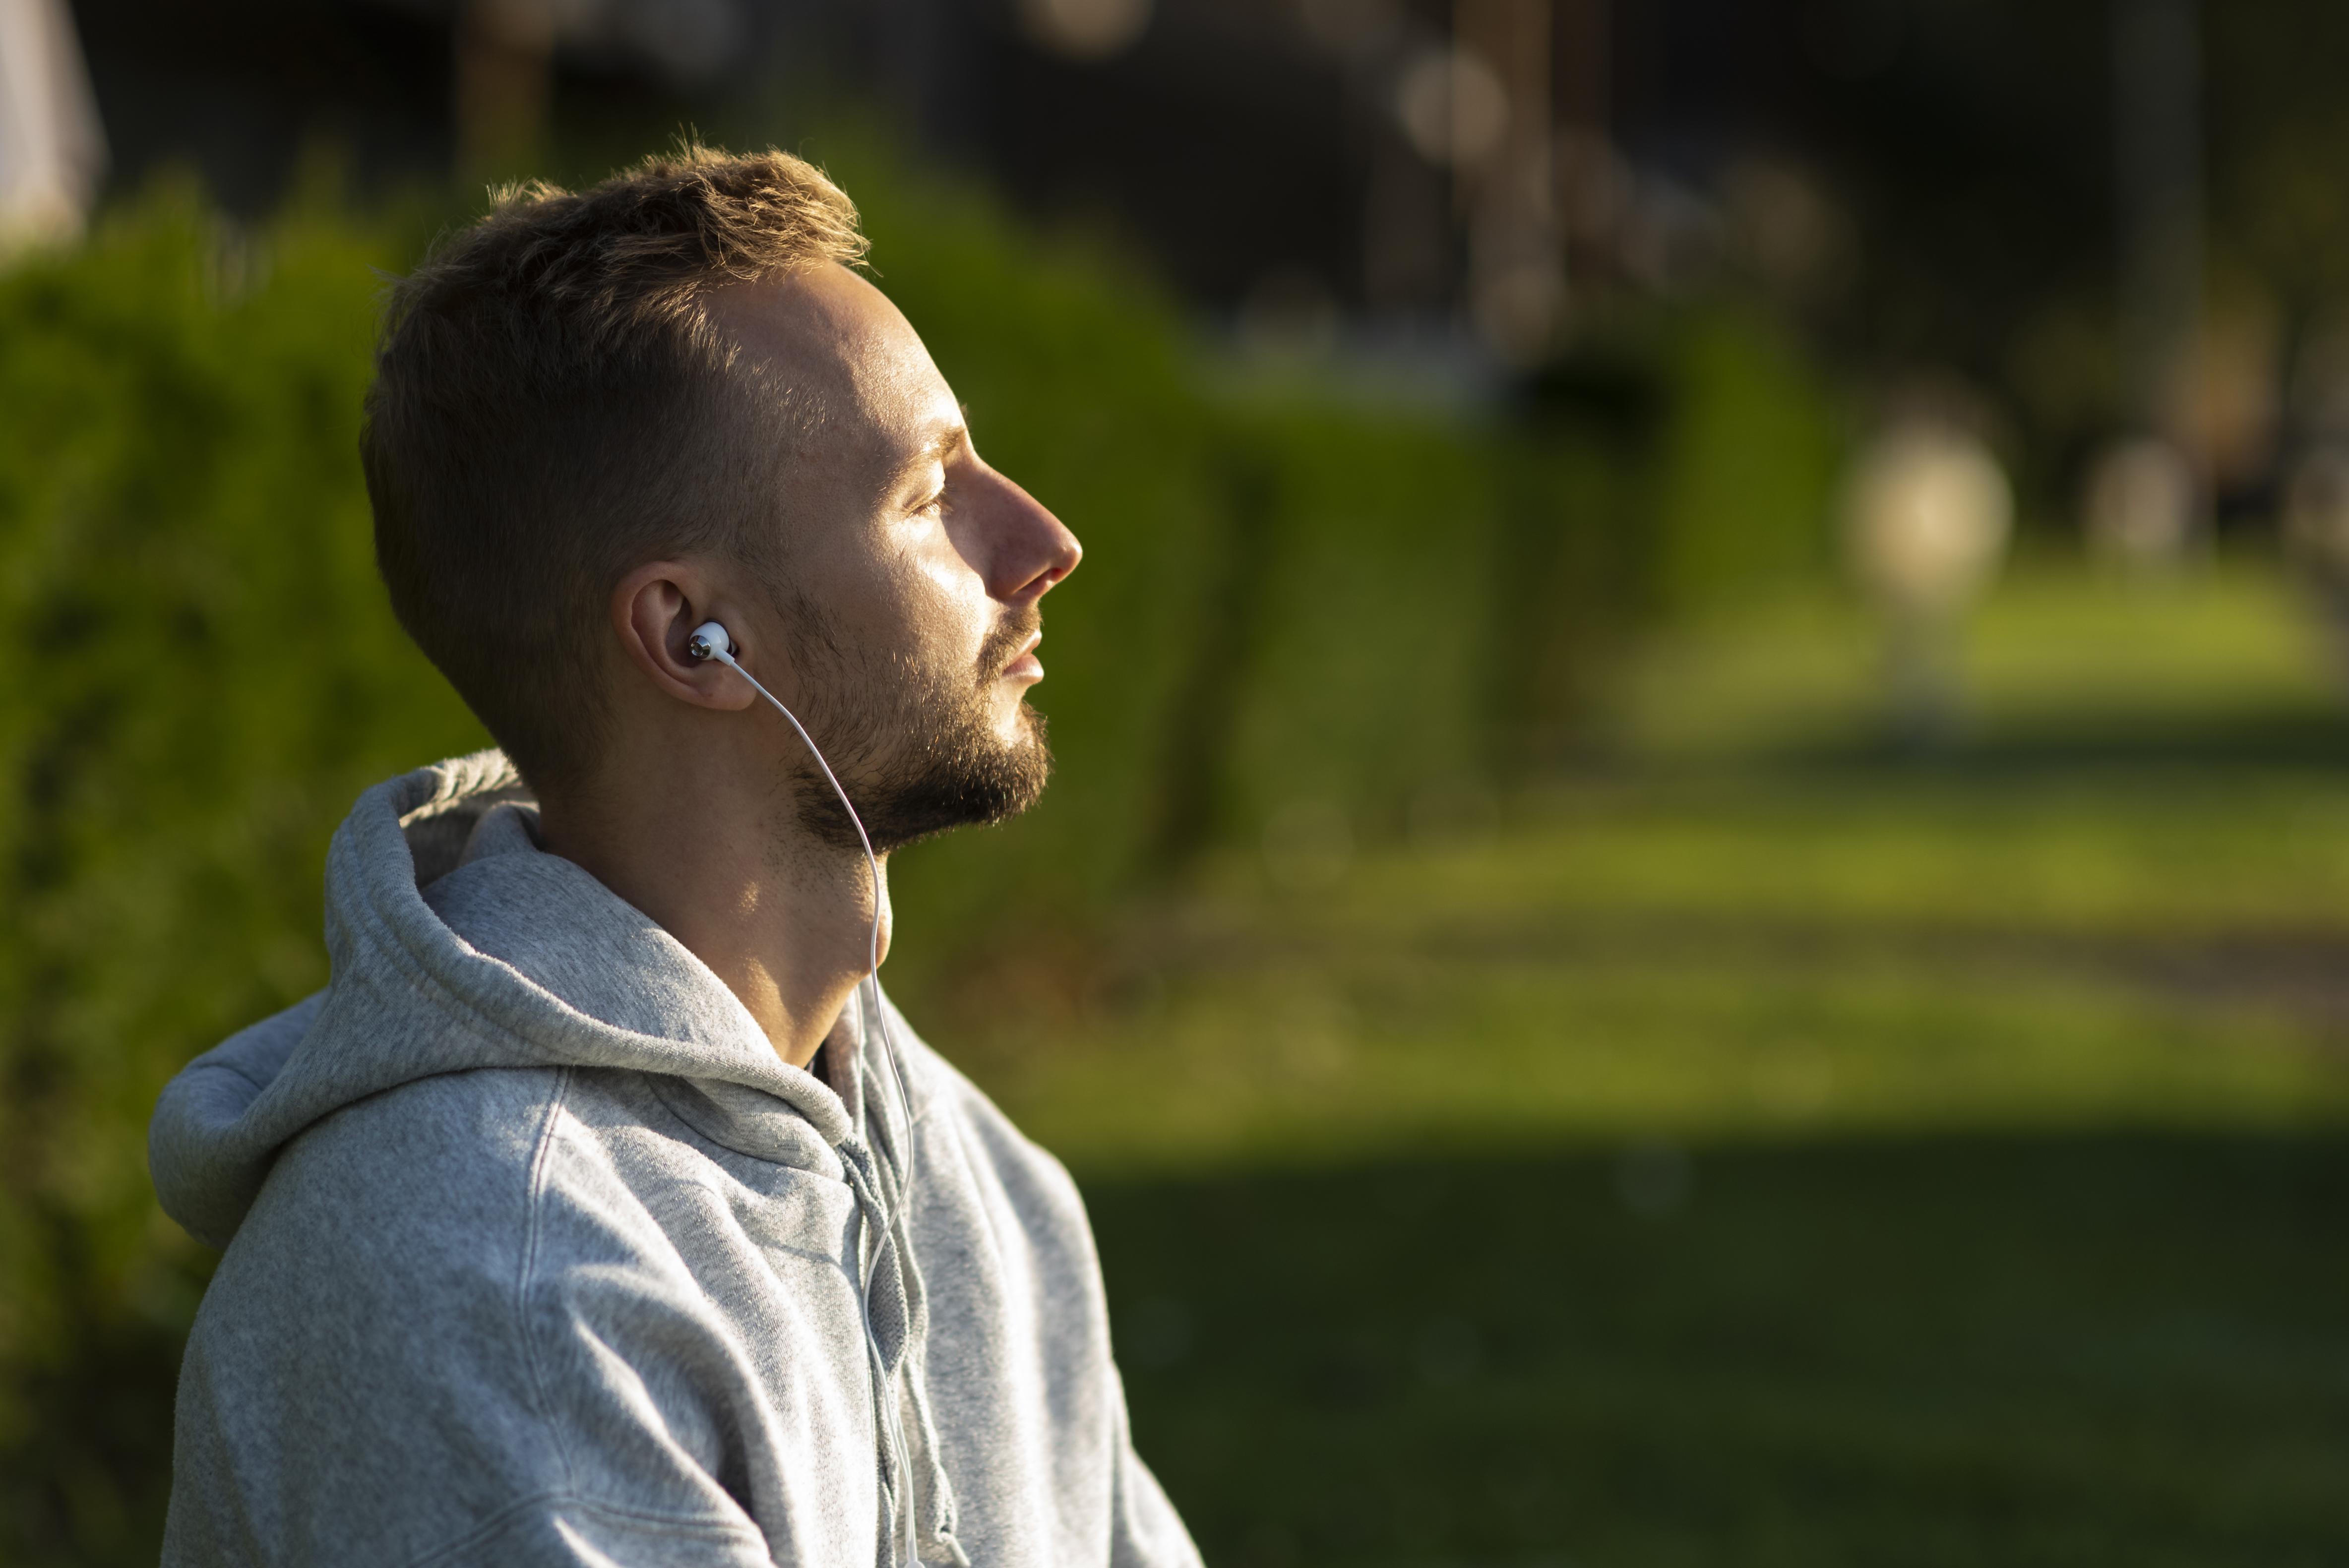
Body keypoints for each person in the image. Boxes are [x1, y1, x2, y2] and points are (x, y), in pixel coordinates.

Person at [147, 144, 1203, 1568]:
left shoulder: (979, 1182)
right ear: (693, 639)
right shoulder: (509, 1284)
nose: (1043, 541)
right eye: (925, 493)